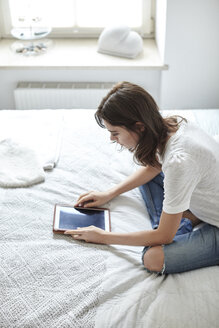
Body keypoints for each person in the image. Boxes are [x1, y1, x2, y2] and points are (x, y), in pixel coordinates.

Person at [64, 81, 219, 274]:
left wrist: (104, 237)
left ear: (139, 127)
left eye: (115, 133)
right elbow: (154, 167)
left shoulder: (178, 161)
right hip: (205, 193)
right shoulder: (175, 124)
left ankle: (179, 222)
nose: (112, 139)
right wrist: (108, 194)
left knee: (152, 258)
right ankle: (181, 220)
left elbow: (164, 236)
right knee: (150, 175)